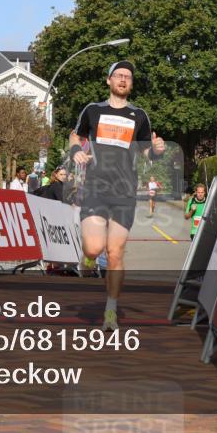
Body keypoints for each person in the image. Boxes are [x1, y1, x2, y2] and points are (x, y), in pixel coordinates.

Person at [72, 60, 165, 330]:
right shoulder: (93, 110)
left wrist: (157, 150)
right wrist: (75, 151)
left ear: (131, 84)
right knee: (93, 247)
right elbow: (75, 136)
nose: (123, 79)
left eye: (128, 77)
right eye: (118, 75)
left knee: (115, 253)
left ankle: (110, 311)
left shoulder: (139, 115)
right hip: (96, 188)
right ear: (109, 80)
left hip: (124, 191)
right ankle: (88, 258)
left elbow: (147, 152)